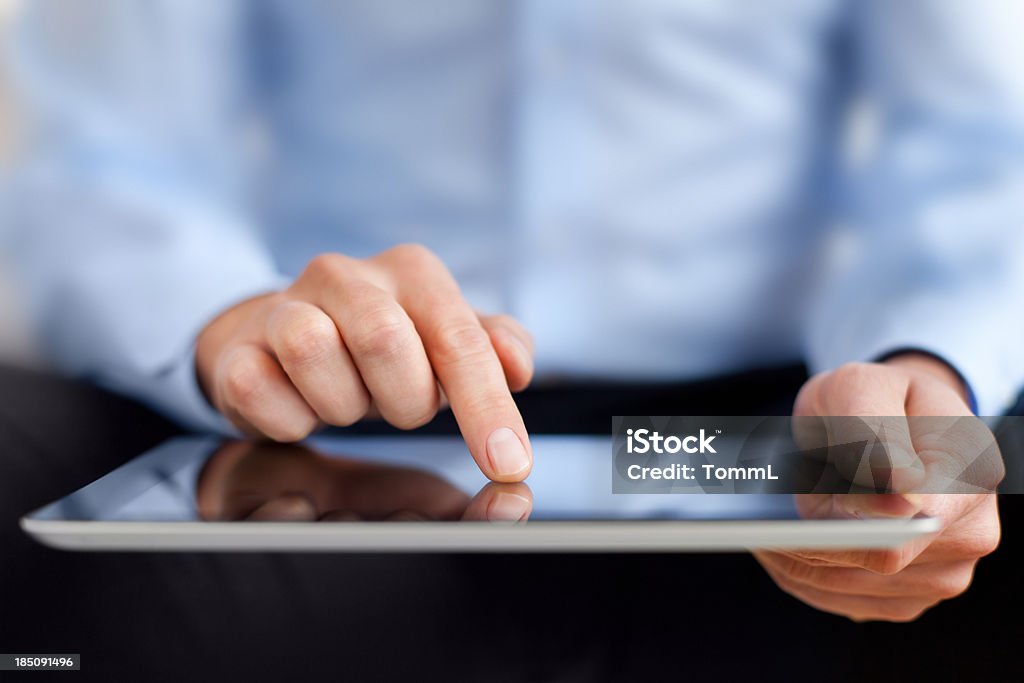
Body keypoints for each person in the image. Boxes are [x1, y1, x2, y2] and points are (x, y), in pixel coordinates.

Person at [4, 1, 1022, 623]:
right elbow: (101, 158)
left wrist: (924, 369)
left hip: (752, 436)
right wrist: (225, 317)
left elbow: (975, 154)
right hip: (335, 416)